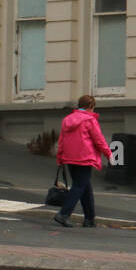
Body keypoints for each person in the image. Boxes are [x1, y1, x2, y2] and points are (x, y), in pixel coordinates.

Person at [53, 95, 113, 228]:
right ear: (91, 106)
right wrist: (109, 154)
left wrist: (60, 157)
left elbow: (61, 140)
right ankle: (63, 214)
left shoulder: (67, 119)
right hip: (84, 158)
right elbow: (99, 140)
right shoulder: (90, 120)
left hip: (69, 157)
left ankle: (89, 218)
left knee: (85, 187)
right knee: (79, 186)